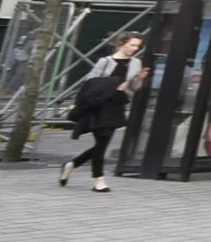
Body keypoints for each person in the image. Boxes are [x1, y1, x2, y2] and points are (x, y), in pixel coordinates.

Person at [60, 32, 146, 192]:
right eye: (132, 45)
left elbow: (136, 88)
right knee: (102, 143)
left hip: (117, 105)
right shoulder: (105, 62)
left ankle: (72, 164)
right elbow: (90, 83)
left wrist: (139, 78)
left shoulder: (136, 63)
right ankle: (98, 180)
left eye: (137, 46)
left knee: (102, 143)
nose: (134, 49)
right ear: (121, 43)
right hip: (100, 106)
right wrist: (113, 85)